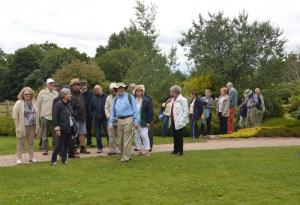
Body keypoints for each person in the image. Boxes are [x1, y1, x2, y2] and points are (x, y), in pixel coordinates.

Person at [109, 82, 139, 163]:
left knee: (127, 138)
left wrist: (136, 121)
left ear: (124, 88)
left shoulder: (130, 97)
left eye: (122, 88)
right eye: (119, 88)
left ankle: (126, 157)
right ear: (116, 90)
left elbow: (135, 110)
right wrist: (110, 123)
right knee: (120, 139)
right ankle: (123, 155)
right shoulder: (115, 99)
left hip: (129, 119)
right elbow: (113, 112)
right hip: (119, 120)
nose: (120, 89)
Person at [12, 87, 38, 164]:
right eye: (26, 94)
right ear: (23, 94)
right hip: (23, 126)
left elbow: (37, 113)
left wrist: (37, 126)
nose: (28, 95)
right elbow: (14, 115)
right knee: (21, 143)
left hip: (32, 125)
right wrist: (17, 127)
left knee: (31, 143)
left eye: (30, 94)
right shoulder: (19, 103)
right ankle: (19, 158)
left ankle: (31, 157)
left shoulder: (34, 102)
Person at [51, 88, 75, 165]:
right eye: (69, 94)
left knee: (66, 144)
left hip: (68, 128)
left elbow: (71, 115)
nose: (71, 95)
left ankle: (64, 160)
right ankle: (53, 160)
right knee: (59, 144)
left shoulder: (68, 104)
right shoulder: (58, 104)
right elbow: (54, 117)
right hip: (62, 128)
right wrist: (57, 128)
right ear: (64, 95)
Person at [36, 78, 59, 155]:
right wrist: (39, 116)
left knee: (55, 134)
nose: (51, 84)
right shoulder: (42, 93)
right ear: (46, 84)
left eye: (52, 83)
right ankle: (45, 149)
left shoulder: (56, 93)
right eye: (49, 83)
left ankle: (56, 148)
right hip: (44, 116)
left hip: (54, 117)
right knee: (44, 134)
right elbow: (38, 105)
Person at [69, 78, 90, 155]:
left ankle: (83, 148)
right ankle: (73, 149)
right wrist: (74, 116)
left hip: (82, 117)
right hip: (75, 118)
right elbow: (70, 108)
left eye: (79, 84)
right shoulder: (70, 95)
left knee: (82, 133)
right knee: (74, 134)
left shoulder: (80, 94)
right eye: (77, 84)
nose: (79, 86)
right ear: (72, 86)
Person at [133, 85, 153, 156]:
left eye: (140, 90)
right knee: (136, 136)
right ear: (135, 92)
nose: (139, 92)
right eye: (137, 90)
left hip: (144, 121)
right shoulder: (133, 99)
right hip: (135, 122)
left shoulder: (146, 100)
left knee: (144, 135)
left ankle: (147, 150)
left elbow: (150, 111)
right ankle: (139, 150)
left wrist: (148, 121)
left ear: (143, 91)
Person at [169, 85, 189, 156]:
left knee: (179, 137)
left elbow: (186, 111)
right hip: (173, 120)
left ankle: (180, 151)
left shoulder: (183, 100)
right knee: (174, 136)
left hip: (179, 121)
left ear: (176, 92)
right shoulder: (173, 99)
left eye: (172, 92)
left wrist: (182, 121)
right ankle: (175, 149)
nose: (170, 93)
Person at [89, 85, 108, 153]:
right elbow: (90, 109)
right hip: (96, 119)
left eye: (98, 88)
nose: (97, 90)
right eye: (96, 89)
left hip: (105, 118)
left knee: (108, 132)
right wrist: (94, 115)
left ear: (101, 88)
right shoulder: (93, 98)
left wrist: (107, 115)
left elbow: (109, 107)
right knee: (97, 134)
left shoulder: (106, 97)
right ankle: (99, 147)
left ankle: (111, 146)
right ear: (94, 91)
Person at [105, 83, 119, 155]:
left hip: (119, 119)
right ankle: (112, 149)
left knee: (119, 134)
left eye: (113, 90)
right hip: (110, 119)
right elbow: (106, 108)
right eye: (111, 90)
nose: (112, 91)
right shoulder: (108, 98)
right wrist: (109, 116)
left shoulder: (120, 97)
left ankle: (120, 149)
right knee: (111, 135)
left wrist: (117, 117)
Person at [141, 85, 154, 151]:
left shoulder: (148, 98)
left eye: (141, 90)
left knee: (149, 133)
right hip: (141, 119)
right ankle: (141, 147)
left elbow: (150, 110)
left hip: (148, 119)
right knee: (142, 134)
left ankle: (150, 147)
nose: (140, 91)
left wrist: (149, 120)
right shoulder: (137, 98)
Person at [81, 80, 94, 147]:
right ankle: (80, 143)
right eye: (83, 86)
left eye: (85, 85)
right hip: (81, 114)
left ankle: (89, 142)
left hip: (89, 114)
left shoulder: (91, 93)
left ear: (87, 86)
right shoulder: (79, 94)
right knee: (81, 129)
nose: (84, 87)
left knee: (89, 128)